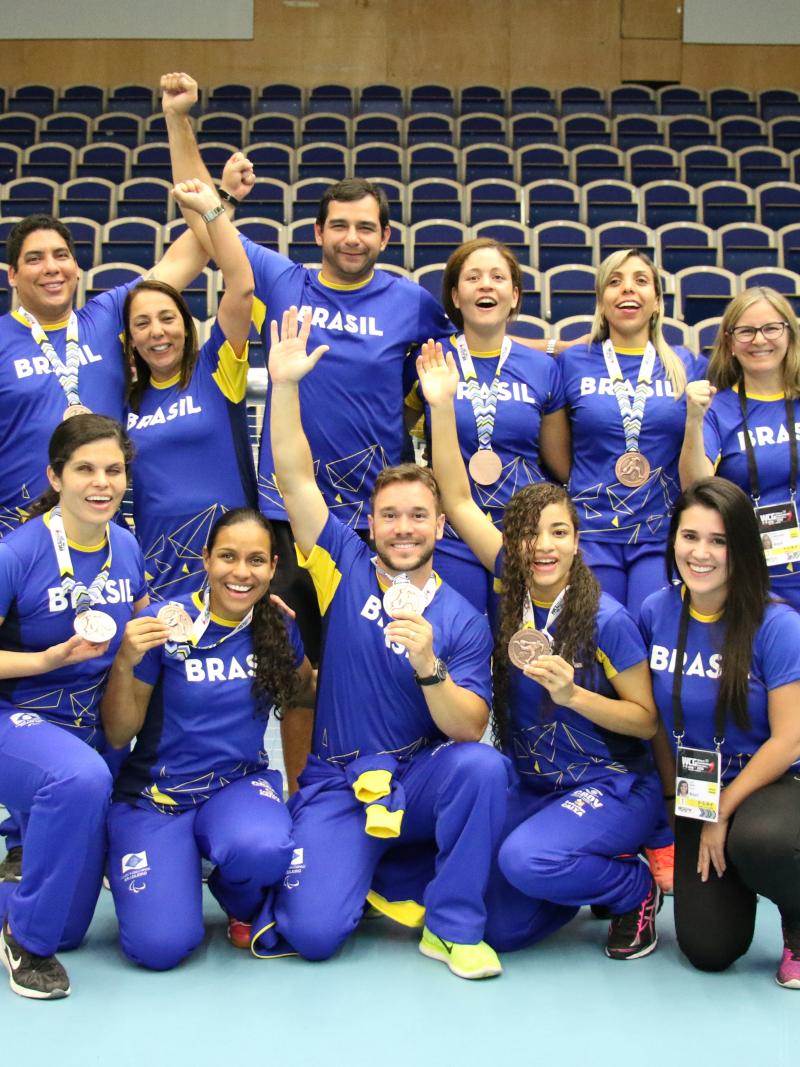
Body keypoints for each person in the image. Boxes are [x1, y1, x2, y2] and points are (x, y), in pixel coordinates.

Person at [160, 71, 452, 789]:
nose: (352, 238)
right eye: (339, 225)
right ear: (317, 232)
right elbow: (203, 212)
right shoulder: (282, 282)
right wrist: (179, 122)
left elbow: (481, 342)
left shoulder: (412, 302)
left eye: (366, 226)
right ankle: (303, 800)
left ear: (385, 236)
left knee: (387, 660)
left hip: (378, 528)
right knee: (299, 672)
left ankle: (386, 793)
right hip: (292, 519)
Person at [264, 306, 508, 980]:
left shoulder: (460, 615)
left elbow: (471, 727)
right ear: (369, 522)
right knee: (312, 933)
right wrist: (284, 387)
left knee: (484, 769)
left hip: (416, 775)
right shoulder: (338, 558)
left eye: (418, 516)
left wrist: (430, 666)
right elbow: (294, 477)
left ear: (439, 526)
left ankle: (452, 926)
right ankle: (376, 869)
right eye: (390, 515)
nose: (404, 527)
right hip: (340, 780)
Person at [416, 340, 663, 960]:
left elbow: (646, 719)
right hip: (537, 785)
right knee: (494, 923)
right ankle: (572, 867)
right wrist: (441, 406)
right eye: (530, 532)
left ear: (578, 542)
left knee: (527, 860)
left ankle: (631, 887)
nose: (543, 545)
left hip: (610, 784)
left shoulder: (606, 619)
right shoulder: (506, 586)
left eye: (559, 532)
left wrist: (573, 695)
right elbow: (457, 495)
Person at [101, 508, 314, 970]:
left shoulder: (277, 626)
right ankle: (169, 866)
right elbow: (120, 732)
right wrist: (124, 660)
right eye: (228, 557)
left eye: (256, 560)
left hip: (236, 787)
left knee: (265, 848)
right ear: (205, 560)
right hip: (156, 796)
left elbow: (305, 695)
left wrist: (299, 786)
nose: (241, 572)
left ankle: (235, 893)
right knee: (159, 948)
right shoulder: (163, 624)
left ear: (273, 568)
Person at [0, 415, 148, 998]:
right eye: (85, 469)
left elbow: (142, 616)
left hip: (88, 726)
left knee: (69, 927)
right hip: (18, 718)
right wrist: (44, 660)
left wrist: (237, 610)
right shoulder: (18, 551)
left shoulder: (127, 543)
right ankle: (25, 947)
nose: (102, 482)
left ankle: (29, 905)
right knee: (79, 777)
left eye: (114, 469)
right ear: (55, 476)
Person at [639, 477, 800, 988]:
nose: (701, 553)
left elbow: (790, 739)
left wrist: (723, 812)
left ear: (741, 548)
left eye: (718, 540)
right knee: (709, 950)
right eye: (690, 537)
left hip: (770, 784)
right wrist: (673, 799)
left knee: (765, 842)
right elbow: (655, 724)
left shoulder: (777, 625)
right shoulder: (655, 611)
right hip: (696, 789)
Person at [0, 207, 208, 541]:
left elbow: (182, 261)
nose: (51, 267)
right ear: (12, 274)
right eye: (35, 258)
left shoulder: (107, 318)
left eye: (61, 255)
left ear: (76, 269)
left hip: (104, 535)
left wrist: (223, 199)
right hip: (19, 536)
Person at [404, 238, 570, 615]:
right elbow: (403, 431)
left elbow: (559, 464)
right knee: (460, 644)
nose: (485, 285)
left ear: (513, 296)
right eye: (473, 277)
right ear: (455, 296)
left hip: (524, 535)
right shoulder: (428, 359)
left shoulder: (543, 368)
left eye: (498, 277)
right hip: (451, 534)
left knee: (518, 652)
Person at [123, 177, 257, 601]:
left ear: (186, 323)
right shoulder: (121, 399)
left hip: (232, 560)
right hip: (157, 563)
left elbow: (242, 287)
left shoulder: (217, 369)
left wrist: (218, 208)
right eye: (142, 324)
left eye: (167, 318)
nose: (157, 332)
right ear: (128, 339)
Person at [560, 248, 706, 617]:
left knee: (651, 631)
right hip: (592, 532)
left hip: (660, 534)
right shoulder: (573, 361)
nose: (628, 290)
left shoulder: (687, 364)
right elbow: (559, 454)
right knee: (594, 642)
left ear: (657, 302)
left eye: (641, 281)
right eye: (615, 282)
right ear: (602, 300)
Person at [678, 287, 800, 611]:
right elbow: (696, 487)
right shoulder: (718, 410)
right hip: (749, 574)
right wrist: (693, 420)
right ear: (730, 343)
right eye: (746, 331)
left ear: (789, 334)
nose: (759, 340)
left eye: (772, 328)